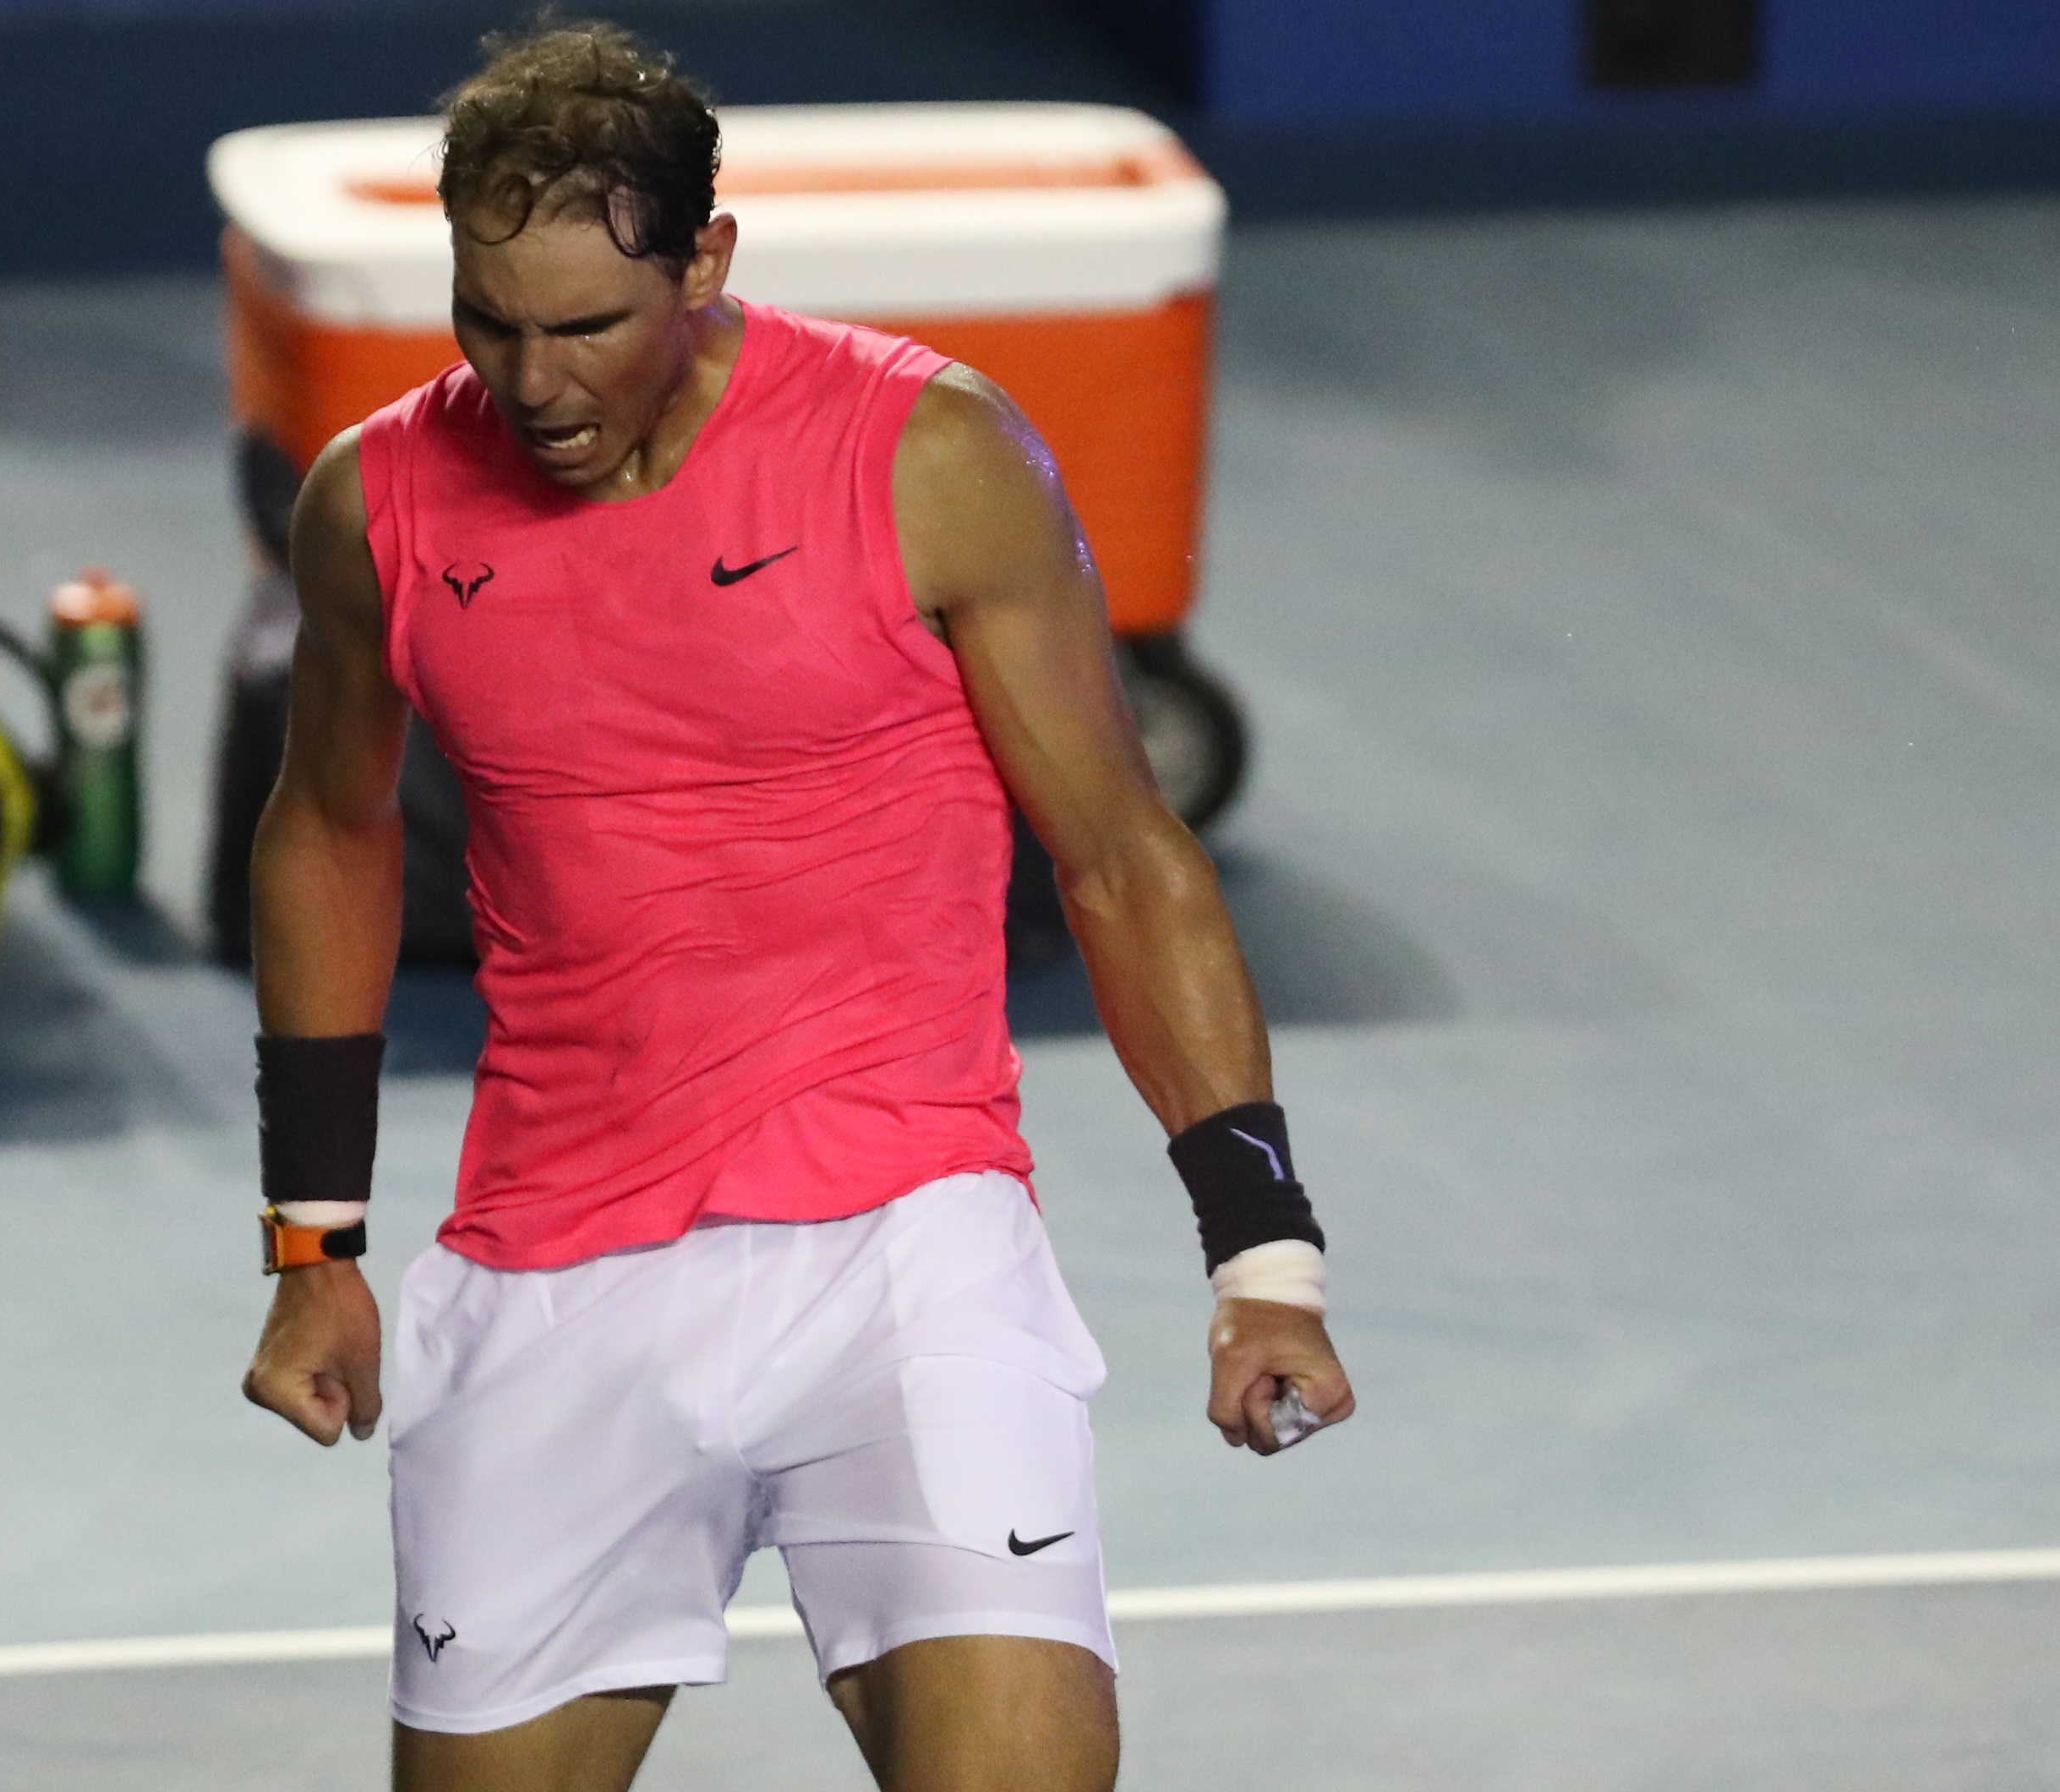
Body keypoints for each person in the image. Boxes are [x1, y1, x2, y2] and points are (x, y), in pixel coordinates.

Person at [240, 23, 1354, 1791]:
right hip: (554, 1276)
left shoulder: (929, 454)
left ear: (706, 261)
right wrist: (315, 1244)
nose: (531, 383)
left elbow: (1126, 855)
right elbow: (327, 836)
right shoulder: (371, 499)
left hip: (906, 1250)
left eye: (586, 325)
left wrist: (1262, 1258)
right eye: (489, 320)